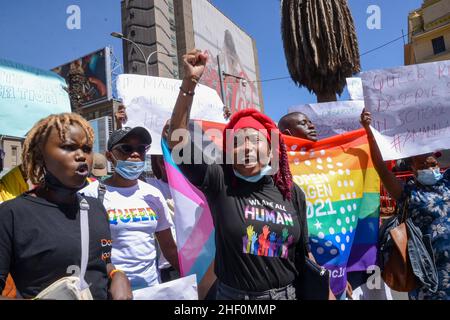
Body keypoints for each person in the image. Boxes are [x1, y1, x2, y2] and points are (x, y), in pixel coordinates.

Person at [167, 49, 322, 300]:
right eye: (237, 141)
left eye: (254, 140)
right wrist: (189, 82)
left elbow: (303, 252)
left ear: (271, 148)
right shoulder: (221, 182)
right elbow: (177, 140)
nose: (246, 147)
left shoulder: (291, 192)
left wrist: (325, 290)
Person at [0, 113, 132, 300]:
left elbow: (101, 263)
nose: (81, 156)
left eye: (86, 149)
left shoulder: (96, 209)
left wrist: (116, 275)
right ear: (40, 155)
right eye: (68, 147)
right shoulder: (11, 214)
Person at [361, 109, 450, 300]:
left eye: (433, 164)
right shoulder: (406, 192)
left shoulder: (447, 182)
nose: (431, 168)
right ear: (412, 168)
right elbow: (381, 169)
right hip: (428, 272)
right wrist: (369, 131)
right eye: (424, 165)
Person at [81, 126, 179, 291]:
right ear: (110, 156)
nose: (135, 154)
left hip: (151, 290)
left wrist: (193, 275)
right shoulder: (89, 195)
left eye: (141, 149)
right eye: (126, 148)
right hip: (110, 290)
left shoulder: (153, 194)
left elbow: (168, 247)